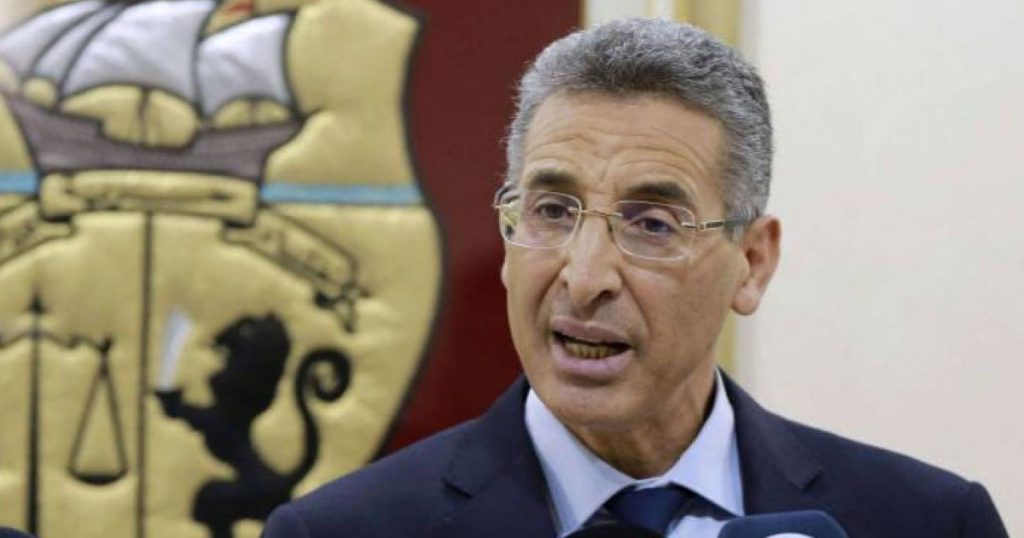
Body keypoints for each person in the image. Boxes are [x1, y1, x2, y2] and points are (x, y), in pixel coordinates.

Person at [262, 18, 1008, 538]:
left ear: (752, 263)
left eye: (652, 224)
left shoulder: (928, 522)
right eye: (552, 210)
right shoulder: (340, 532)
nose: (585, 278)